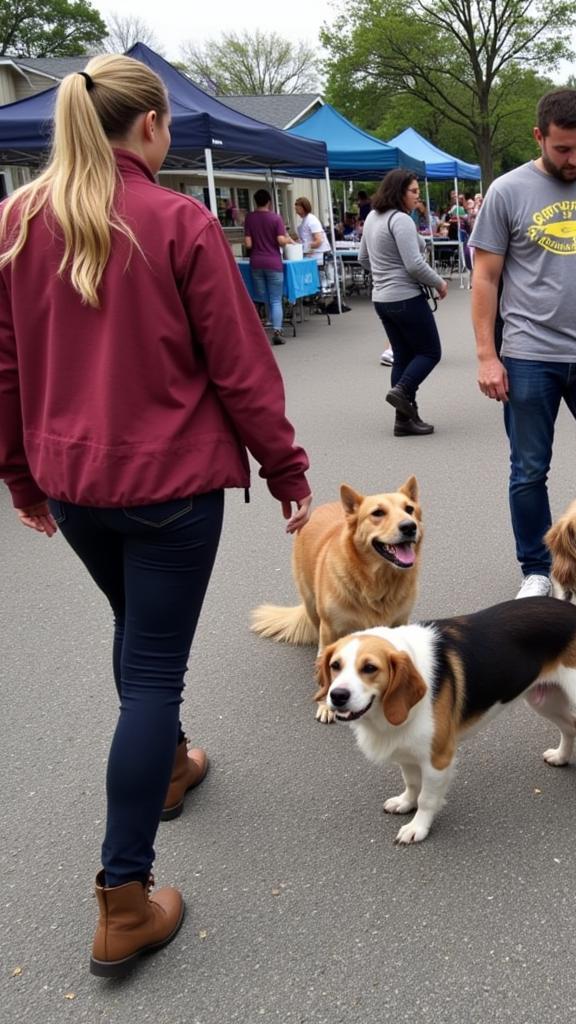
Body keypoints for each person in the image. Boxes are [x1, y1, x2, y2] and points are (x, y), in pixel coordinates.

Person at [0, 55, 312, 975]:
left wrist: (20, 477)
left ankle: (170, 763)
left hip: (75, 483)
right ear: (148, 127)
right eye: (168, 125)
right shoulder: (177, 220)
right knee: (151, 672)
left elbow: (7, 369)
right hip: (170, 489)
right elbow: (239, 364)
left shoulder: (17, 222)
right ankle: (124, 897)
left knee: (135, 634)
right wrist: (287, 469)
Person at [470, 87, 576, 599]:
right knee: (529, 469)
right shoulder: (507, 191)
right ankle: (538, 570)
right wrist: (487, 354)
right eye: (563, 149)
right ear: (539, 137)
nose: (575, 159)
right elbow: (486, 276)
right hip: (528, 354)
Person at [359, 169, 448, 436]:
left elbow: (364, 258)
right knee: (430, 352)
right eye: (413, 192)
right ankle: (402, 391)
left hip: (382, 298)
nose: (417, 197)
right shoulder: (400, 220)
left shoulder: (374, 217)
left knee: (403, 356)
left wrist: (383, 273)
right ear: (399, 191)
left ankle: (404, 420)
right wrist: (439, 282)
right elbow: (414, 264)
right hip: (405, 297)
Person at [243, 188, 290, 345]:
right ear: (269, 201)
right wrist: (289, 240)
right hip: (273, 262)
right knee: (276, 298)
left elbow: (248, 244)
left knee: (263, 298)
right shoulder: (276, 218)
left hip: (256, 262)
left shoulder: (249, 218)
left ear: (255, 201)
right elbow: (281, 241)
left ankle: (263, 328)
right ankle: (277, 330)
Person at [292, 196, 331, 264]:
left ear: (302, 208)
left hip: (318, 256)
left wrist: (307, 248)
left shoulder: (311, 220)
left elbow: (319, 240)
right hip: (311, 255)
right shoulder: (304, 220)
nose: (296, 211)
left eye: (297, 208)